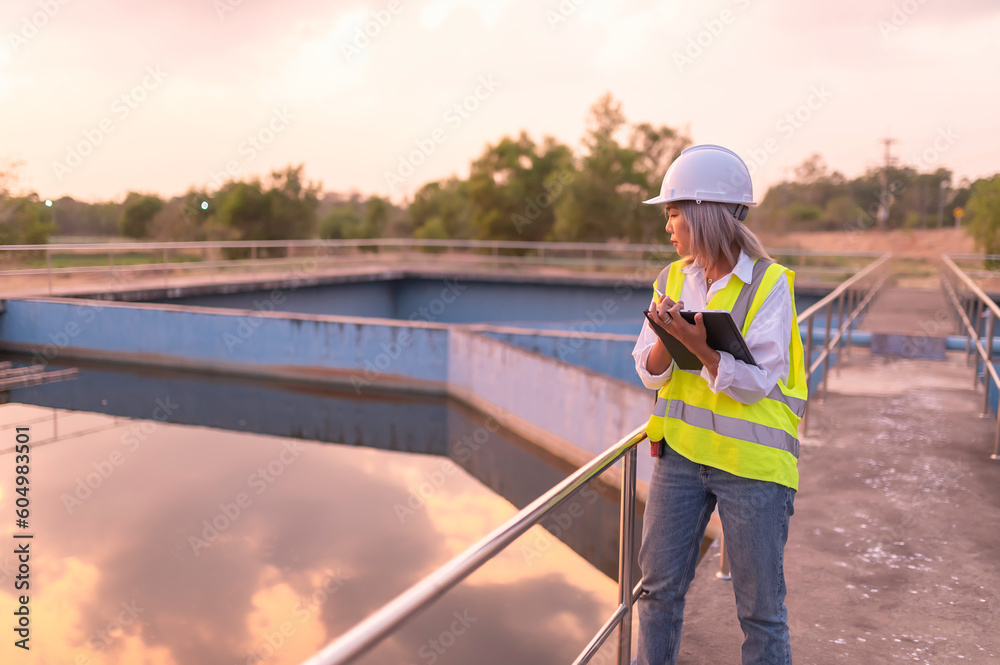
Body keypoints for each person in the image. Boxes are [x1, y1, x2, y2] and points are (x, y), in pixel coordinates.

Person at [631, 144, 807, 665]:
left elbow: (755, 384)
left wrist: (703, 346)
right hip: (681, 458)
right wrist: (667, 333)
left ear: (703, 214)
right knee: (657, 591)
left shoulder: (770, 285)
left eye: (672, 213)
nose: (668, 227)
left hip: (752, 468)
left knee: (760, 612)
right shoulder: (670, 279)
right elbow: (648, 371)